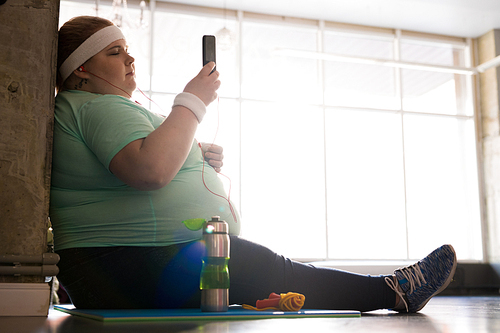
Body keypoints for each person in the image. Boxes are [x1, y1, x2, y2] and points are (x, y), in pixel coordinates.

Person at [50, 15, 457, 312]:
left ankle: (386, 288)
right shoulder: (98, 107)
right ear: (82, 70)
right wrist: (193, 100)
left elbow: (146, 159)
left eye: (128, 50)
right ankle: (392, 291)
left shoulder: (92, 109)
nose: (130, 60)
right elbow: (151, 170)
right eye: (115, 52)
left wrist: (192, 154)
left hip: (116, 268)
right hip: (121, 267)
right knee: (249, 264)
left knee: (270, 268)